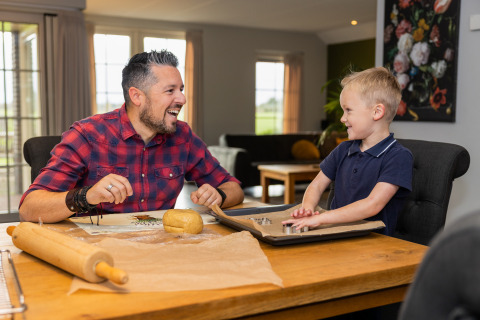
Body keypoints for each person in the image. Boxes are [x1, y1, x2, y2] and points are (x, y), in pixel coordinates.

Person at [19, 50, 244, 223]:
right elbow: (29, 208)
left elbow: (233, 188)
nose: (182, 99)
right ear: (136, 96)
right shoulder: (87, 135)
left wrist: (219, 196)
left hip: (161, 250)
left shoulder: (183, 136)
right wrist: (86, 196)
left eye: (181, 89)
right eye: (170, 90)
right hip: (94, 253)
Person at [283, 67, 413, 236]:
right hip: (336, 235)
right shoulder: (343, 150)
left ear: (377, 112)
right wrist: (308, 208)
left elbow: (372, 204)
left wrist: (321, 218)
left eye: (348, 110)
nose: (342, 118)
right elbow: (316, 185)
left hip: (374, 243)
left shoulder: (398, 157)